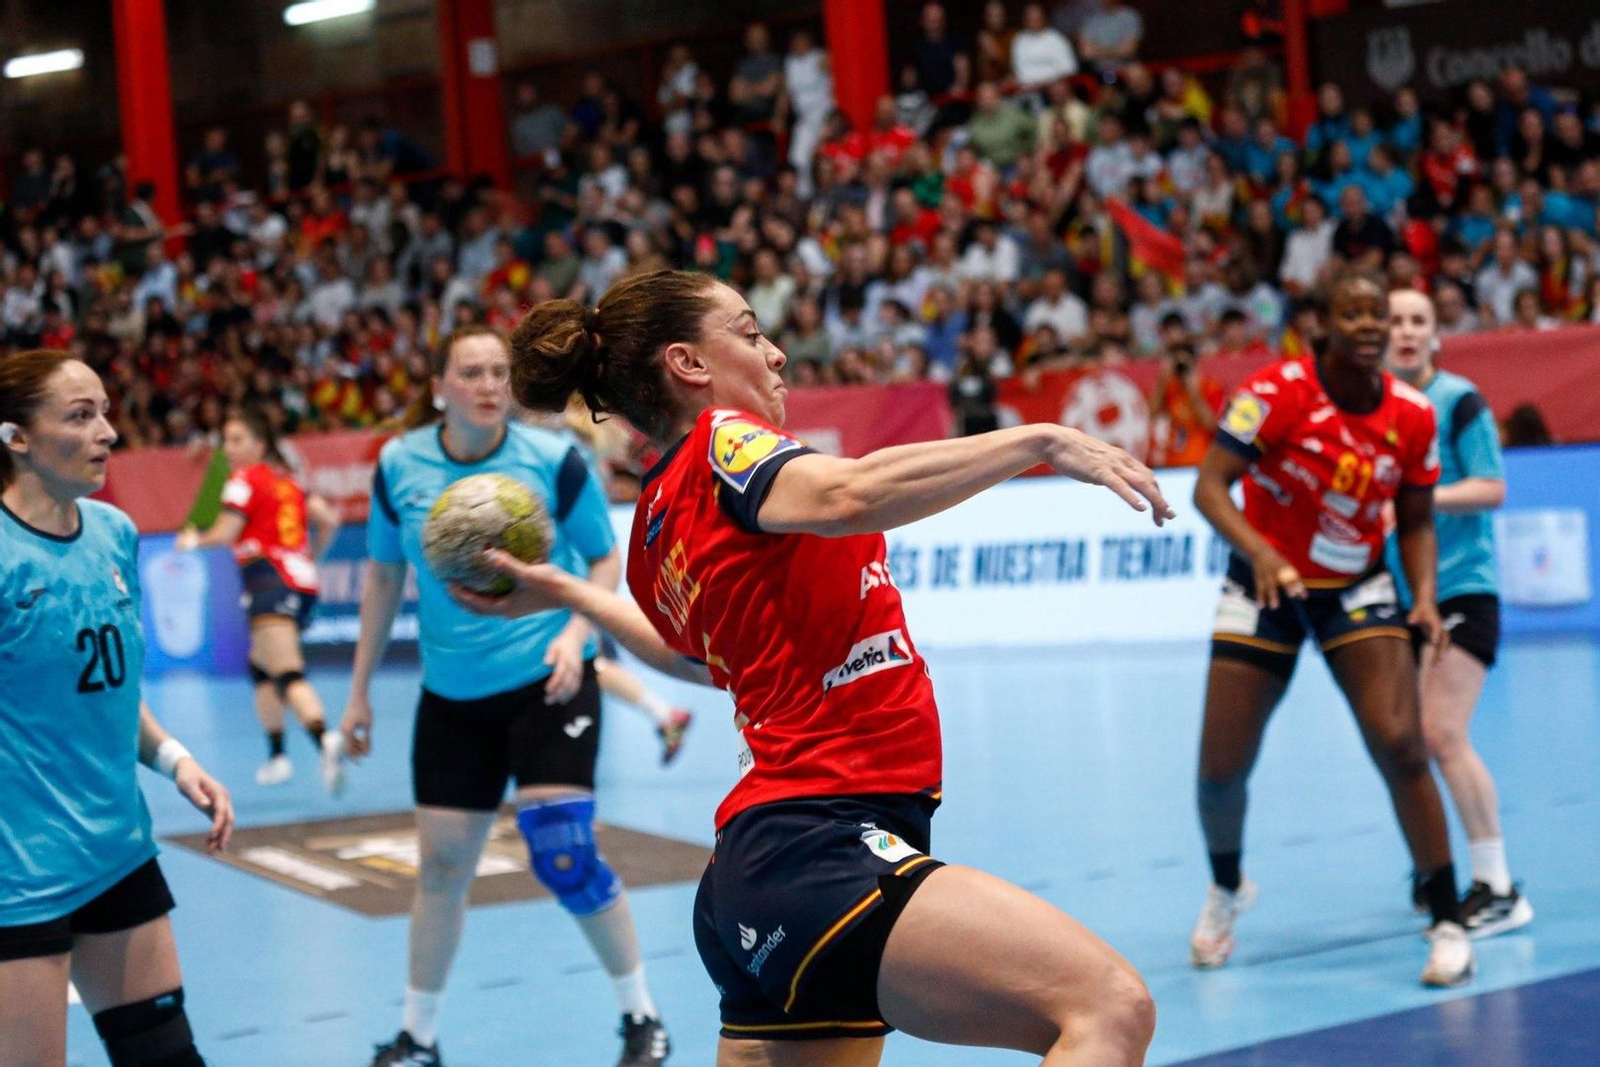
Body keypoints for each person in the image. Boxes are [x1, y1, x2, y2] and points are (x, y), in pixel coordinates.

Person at [458, 271, 1166, 1066]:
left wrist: (564, 593)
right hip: (822, 845)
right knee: (1108, 1007)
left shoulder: (654, 535)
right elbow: (850, 493)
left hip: (759, 869)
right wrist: (1037, 442)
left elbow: (699, 664)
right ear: (689, 363)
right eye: (751, 332)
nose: (778, 353)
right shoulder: (724, 441)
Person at [337, 326, 670, 1067]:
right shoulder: (400, 465)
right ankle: (418, 1037)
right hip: (452, 693)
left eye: (499, 372)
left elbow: (603, 554)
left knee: (561, 850)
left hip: (549, 677)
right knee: (441, 869)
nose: (489, 384)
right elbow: (384, 578)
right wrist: (358, 692)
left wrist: (575, 627)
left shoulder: (553, 459)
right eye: (471, 372)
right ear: (439, 389)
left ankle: (642, 1017)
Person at [1188, 271, 1475, 987]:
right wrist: (1262, 552)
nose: (1372, 324)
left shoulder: (1412, 415)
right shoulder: (1274, 394)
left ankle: (1445, 915)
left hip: (1355, 589)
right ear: (1326, 324)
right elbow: (1208, 487)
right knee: (1221, 770)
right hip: (1262, 584)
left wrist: (1427, 598)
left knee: (1402, 743)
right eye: (1355, 312)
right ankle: (1227, 887)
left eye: (1378, 312)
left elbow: (1415, 518)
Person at [0, 349, 234, 1067]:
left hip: (116, 850)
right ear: (17, 437)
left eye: (104, 410)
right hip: (19, 875)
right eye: (80, 415)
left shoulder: (114, 533)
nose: (107, 431)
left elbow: (108, 690)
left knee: (168, 1058)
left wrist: (175, 759)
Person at [1385, 289, 1532, 938]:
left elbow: (1493, 487)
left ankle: (1499, 885)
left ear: (1437, 334)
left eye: (1419, 320)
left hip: (1462, 591)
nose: (1406, 331)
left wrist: (1422, 499)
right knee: (1406, 741)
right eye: (1396, 321)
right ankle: (1434, 869)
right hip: (1401, 598)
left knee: (1443, 733)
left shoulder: (1459, 400)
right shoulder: (1374, 411)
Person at [176, 409, 344, 791]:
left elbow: (226, 531)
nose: (228, 449)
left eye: (237, 440)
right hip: (300, 582)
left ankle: (325, 741)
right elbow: (329, 521)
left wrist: (192, 541)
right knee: (261, 669)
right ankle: (278, 758)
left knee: (287, 674)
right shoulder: (289, 482)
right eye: (225, 441)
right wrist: (310, 556)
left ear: (259, 444)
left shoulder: (242, 479)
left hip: (269, 581)